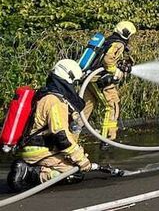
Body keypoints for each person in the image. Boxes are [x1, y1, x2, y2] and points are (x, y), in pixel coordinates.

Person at [7, 60, 97, 192]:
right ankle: (30, 173)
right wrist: (81, 160)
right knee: (74, 174)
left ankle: (32, 167)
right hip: (41, 151)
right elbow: (61, 137)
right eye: (74, 83)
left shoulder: (44, 94)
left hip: (33, 148)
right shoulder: (55, 101)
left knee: (71, 164)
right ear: (68, 78)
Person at [82, 21, 136, 143]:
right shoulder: (118, 44)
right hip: (100, 79)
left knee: (85, 107)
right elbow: (108, 60)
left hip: (89, 77)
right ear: (126, 34)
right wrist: (115, 71)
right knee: (112, 105)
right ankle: (107, 139)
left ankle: (71, 135)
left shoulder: (108, 40)